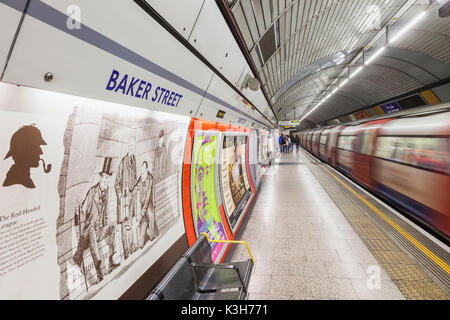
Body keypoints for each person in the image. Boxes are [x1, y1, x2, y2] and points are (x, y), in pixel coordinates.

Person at [73, 157, 119, 283]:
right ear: (100, 178)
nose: (107, 181)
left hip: (100, 229)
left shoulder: (107, 191)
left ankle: (110, 260)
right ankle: (99, 274)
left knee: (113, 226)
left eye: (109, 179)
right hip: (89, 232)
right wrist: (78, 211)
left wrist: (107, 221)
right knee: (92, 231)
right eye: (105, 179)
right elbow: (82, 212)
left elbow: (105, 211)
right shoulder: (92, 192)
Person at [115, 136, 138, 260]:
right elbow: (116, 183)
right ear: (128, 146)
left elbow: (134, 179)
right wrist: (121, 197)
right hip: (123, 200)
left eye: (134, 146)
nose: (132, 148)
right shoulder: (123, 162)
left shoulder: (134, 160)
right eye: (130, 146)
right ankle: (126, 251)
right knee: (124, 227)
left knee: (129, 224)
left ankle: (130, 248)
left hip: (131, 200)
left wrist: (133, 193)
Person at [136, 161, 158, 249]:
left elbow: (148, 197)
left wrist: (142, 212)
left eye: (144, 170)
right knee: (141, 244)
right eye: (141, 170)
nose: (142, 172)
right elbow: (136, 187)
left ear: (147, 169)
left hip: (148, 204)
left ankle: (152, 235)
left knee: (150, 216)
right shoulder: (140, 179)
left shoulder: (150, 179)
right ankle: (145, 238)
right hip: (142, 206)